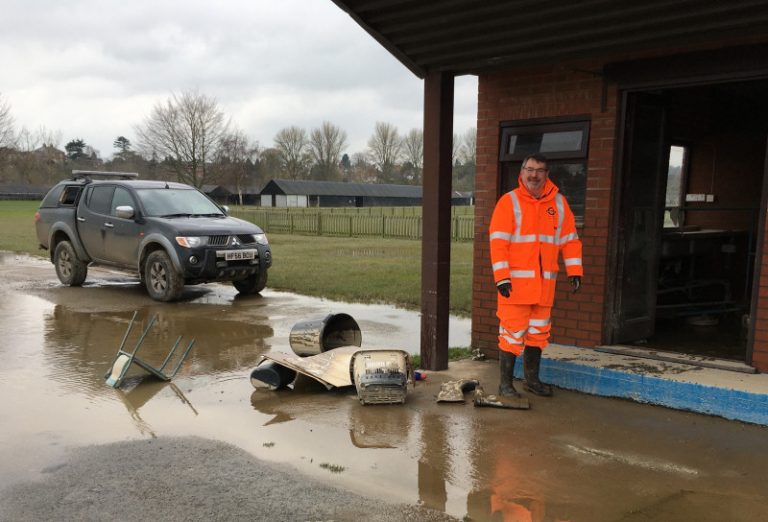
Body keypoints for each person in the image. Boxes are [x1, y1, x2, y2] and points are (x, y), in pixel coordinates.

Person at [489, 153, 583, 398]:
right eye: (529, 169)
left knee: (538, 334)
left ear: (546, 175)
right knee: (511, 335)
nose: (534, 174)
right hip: (515, 287)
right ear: (521, 173)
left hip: (544, 289)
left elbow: (570, 240)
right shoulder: (508, 202)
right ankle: (505, 385)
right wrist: (502, 277)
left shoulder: (559, 204)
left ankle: (532, 381)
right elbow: (498, 243)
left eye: (539, 170)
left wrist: (575, 270)